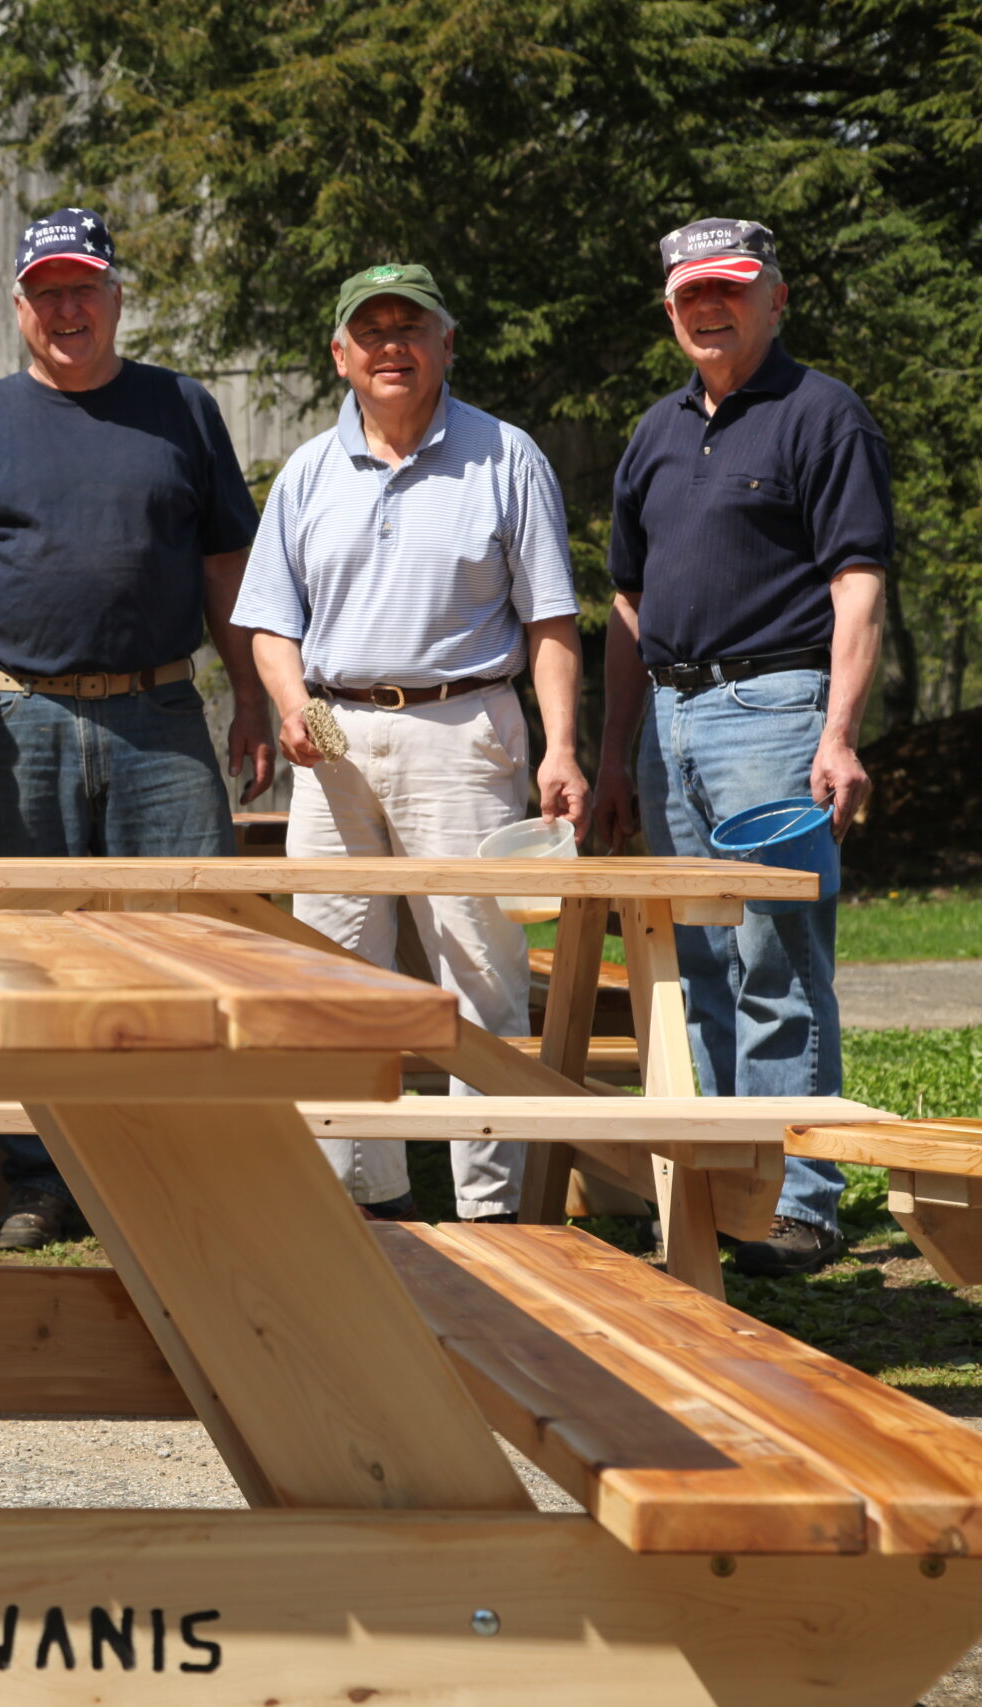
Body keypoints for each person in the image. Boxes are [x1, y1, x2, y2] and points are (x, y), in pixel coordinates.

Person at [0, 207, 272, 1250]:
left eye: (85, 289)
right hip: (14, 719)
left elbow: (222, 568)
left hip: (159, 714)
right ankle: (42, 1177)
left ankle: (184, 1162)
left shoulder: (181, 409)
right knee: (28, 961)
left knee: (192, 945)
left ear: (116, 298)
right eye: (47, 292)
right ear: (20, 307)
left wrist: (246, 692)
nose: (68, 309)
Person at [236, 262, 589, 1223]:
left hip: (464, 726)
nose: (390, 345)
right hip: (335, 738)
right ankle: (358, 1202)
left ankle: (496, 1210)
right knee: (330, 972)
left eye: (410, 326)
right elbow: (269, 620)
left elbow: (552, 620)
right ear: (341, 353)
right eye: (371, 329)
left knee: (479, 971)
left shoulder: (505, 456)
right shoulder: (308, 469)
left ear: (444, 343)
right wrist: (289, 699)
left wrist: (561, 748)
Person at [594, 219, 890, 1277]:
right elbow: (626, 604)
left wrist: (840, 732)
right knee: (696, 967)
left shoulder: (822, 416)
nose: (708, 308)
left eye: (729, 288)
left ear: (775, 296)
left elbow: (856, 581)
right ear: (668, 309)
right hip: (668, 721)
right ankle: (716, 1190)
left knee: (775, 957)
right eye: (689, 295)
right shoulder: (655, 432)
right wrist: (612, 754)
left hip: (775, 711)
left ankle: (798, 1200)